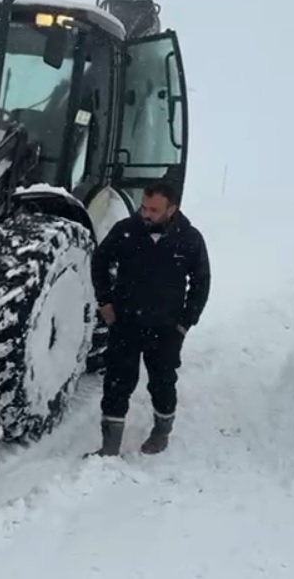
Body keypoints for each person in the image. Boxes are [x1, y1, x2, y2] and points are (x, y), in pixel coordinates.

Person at [89, 177, 211, 456]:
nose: (146, 214)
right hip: (125, 322)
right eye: (144, 207)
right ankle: (109, 445)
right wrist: (105, 300)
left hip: (166, 328)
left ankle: (161, 431)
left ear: (172, 209)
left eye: (154, 210)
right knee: (117, 382)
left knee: (163, 382)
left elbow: (201, 284)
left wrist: (184, 323)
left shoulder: (189, 239)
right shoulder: (126, 231)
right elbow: (100, 260)